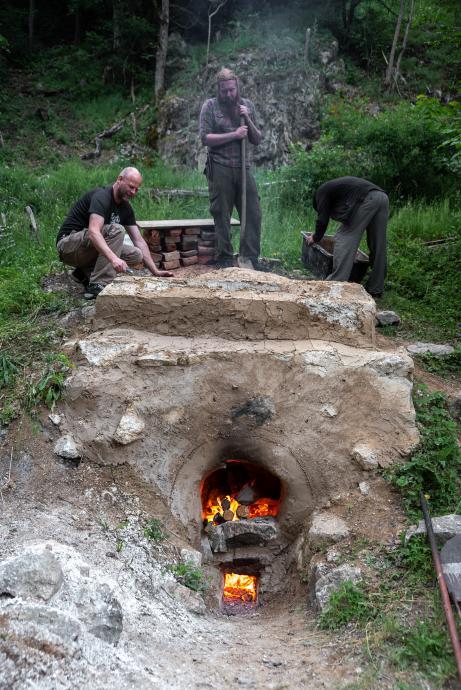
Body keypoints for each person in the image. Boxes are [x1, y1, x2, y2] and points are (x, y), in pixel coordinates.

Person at [56, 167, 172, 299]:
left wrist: (155, 271)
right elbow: (94, 232)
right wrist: (113, 259)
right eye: (131, 187)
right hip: (68, 246)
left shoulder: (125, 208)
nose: (133, 192)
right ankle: (98, 285)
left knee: (136, 254)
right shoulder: (102, 196)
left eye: (136, 189)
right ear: (119, 179)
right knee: (116, 230)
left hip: (86, 250)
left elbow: (138, 240)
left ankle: (83, 273)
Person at [199, 67, 262, 270]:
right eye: (225, 90)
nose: (229, 94)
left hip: (243, 167)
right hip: (219, 166)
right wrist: (234, 135)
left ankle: (250, 257)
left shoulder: (247, 105)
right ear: (219, 89)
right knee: (221, 213)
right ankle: (225, 257)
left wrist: (248, 119)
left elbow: (257, 139)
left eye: (232, 90)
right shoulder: (210, 106)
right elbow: (205, 138)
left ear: (237, 87)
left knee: (253, 212)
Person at [306, 176, 389, 298]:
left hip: (367, 198)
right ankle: (375, 288)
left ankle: (336, 283)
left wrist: (315, 237)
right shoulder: (340, 192)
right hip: (382, 197)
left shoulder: (321, 193)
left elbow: (322, 221)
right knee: (378, 244)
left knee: (343, 236)